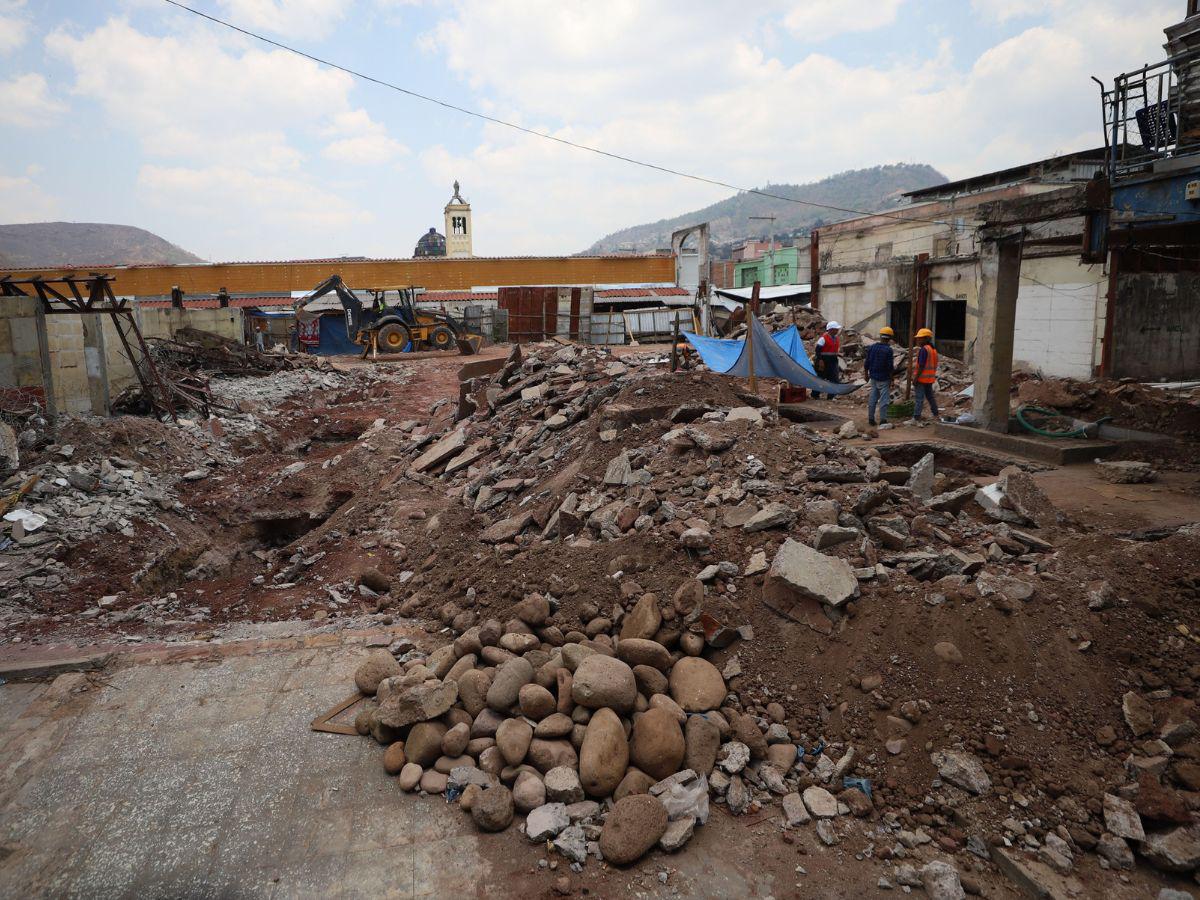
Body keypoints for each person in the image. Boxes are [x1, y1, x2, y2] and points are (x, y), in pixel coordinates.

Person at [864, 326, 895, 427]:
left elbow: (867, 362)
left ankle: (871, 419)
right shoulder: (888, 350)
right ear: (889, 338)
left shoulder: (872, 347)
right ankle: (883, 420)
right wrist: (892, 378)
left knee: (873, 398)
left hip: (873, 377)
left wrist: (866, 374)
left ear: (881, 336)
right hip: (884, 378)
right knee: (884, 400)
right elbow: (890, 366)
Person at [910, 327, 940, 423]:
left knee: (919, 398)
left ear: (926, 338)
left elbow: (922, 365)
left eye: (920, 338)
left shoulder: (924, 350)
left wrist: (915, 378)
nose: (918, 340)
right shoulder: (933, 350)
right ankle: (935, 413)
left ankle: (916, 417)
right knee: (930, 396)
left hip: (922, 379)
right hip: (929, 379)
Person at [811, 320, 842, 399]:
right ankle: (815, 395)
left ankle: (831, 396)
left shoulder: (836, 338)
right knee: (820, 378)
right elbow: (818, 350)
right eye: (836, 329)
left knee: (834, 378)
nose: (837, 330)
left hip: (833, 360)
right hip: (823, 360)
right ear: (831, 329)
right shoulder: (823, 338)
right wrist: (820, 361)